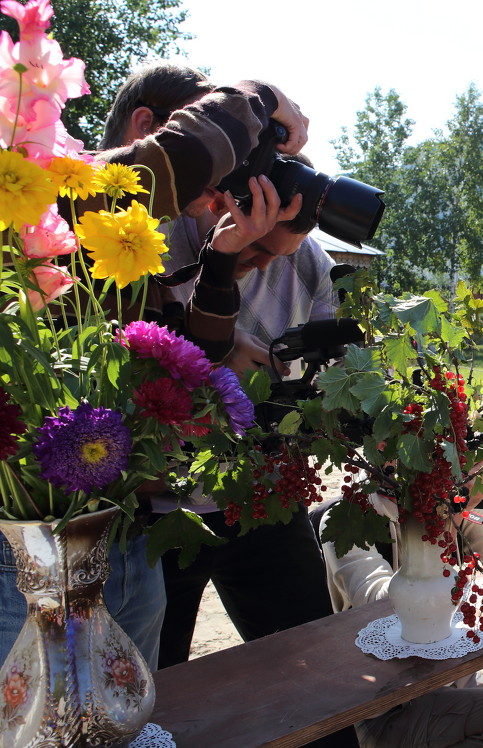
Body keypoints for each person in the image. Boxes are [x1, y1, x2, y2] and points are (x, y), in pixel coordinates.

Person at [0, 62, 309, 668]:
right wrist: (259, 99)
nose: (222, 182)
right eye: (222, 163)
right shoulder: (50, 194)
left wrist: (222, 265)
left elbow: (182, 358)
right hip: (32, 548)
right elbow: (172, 164)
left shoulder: (128, 240)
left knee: (135, 714)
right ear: (148, 126)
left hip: (117, 531)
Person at [149, 164, 339, 669]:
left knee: (310, 666)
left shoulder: (309, 262)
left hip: (264, 494)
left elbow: (325, 369)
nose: (256, 264)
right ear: (219, 204)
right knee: (152, 688)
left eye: (272, 255)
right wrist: (213, 352)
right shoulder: (153, 240)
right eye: (252, 246)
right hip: (160, 508)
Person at [317, 471, 483, 748]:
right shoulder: (348, 515)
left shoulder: (448, 501)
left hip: (456, 681)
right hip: (387, 706)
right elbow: (379, 605)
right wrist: (445, 521)